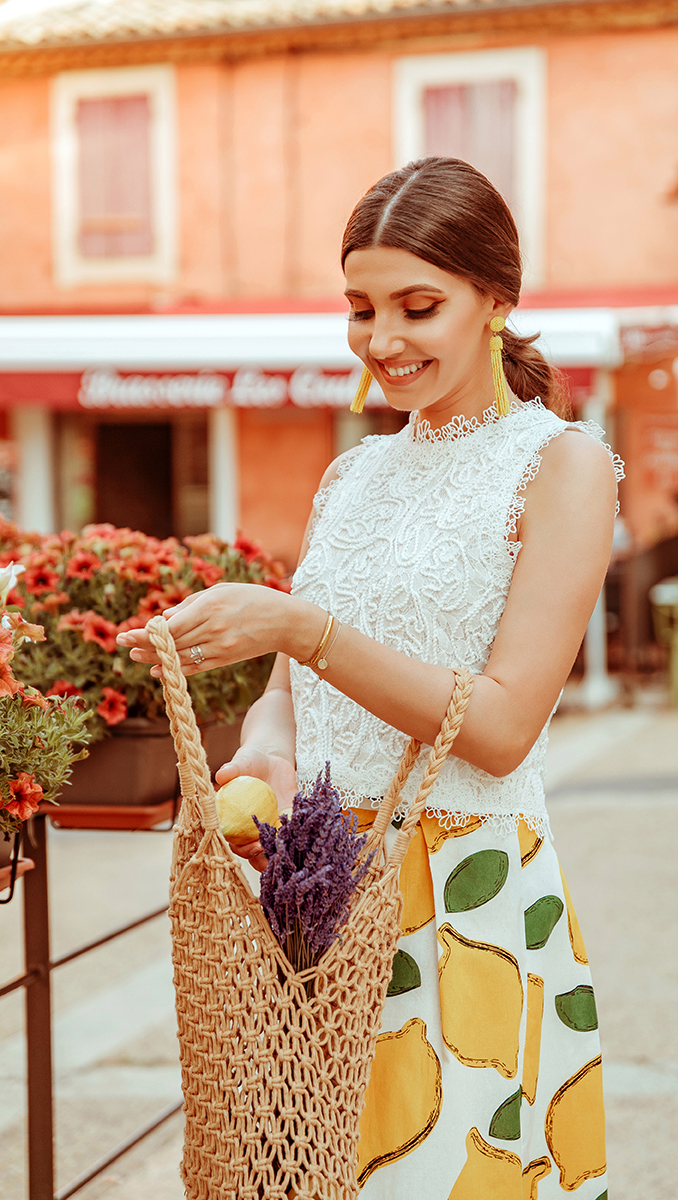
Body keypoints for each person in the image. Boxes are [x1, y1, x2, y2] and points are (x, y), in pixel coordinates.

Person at [117, 156, 621, 1198]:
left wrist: (301, 629)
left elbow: (500, 727)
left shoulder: (559, 466)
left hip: (460, 896)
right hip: (319, 892)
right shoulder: (350, 475)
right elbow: (289, 694)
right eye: (359, 309)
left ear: (495, 298)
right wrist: (265, 744)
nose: (381, 341)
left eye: (415, 305)